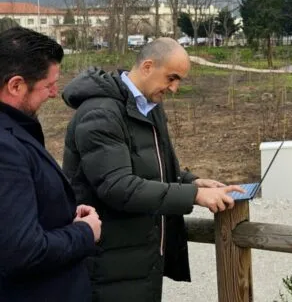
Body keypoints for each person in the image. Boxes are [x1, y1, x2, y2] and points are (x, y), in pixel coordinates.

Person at [62, 37, 243, 302]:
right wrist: (192, 196)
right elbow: (118, 187)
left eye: (179, 80)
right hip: (108, 264)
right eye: (171, 78)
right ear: (147, 66)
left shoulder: (148, 107)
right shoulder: (100, 114)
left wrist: (192, 182)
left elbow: (150, 167)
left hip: (138, 258)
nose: (174, 88)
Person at [0, 27, 102, 301]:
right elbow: (21, 251)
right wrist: (84, 232)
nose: (55, 93)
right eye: (48, 85)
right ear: (16, 85)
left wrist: (61, 213)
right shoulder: (5, 147)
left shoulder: (14, 131)